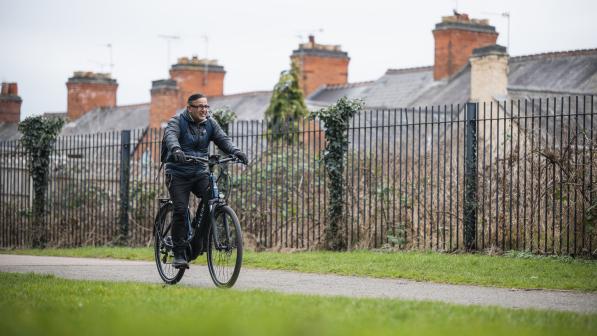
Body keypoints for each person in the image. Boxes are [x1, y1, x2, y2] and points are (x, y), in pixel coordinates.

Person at [163, 93, 248, 269]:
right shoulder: (177, 122)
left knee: (213, 201)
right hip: (178, 173)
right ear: (189, 108)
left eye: (206, 106)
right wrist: (176, 149)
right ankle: (179, 252)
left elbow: (223, 140)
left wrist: (236, 151)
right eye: (200, 106)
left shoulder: (210, 123)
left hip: (199, 171)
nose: (204, 110)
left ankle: (197, 240)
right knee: (180, 208)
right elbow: (170, 136)